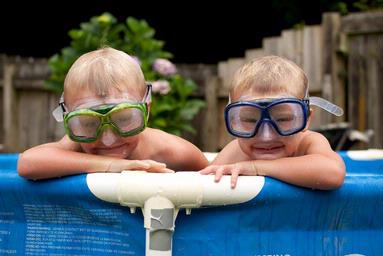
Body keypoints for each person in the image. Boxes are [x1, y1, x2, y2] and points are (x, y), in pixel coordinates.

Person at [18, 47, 208, 179]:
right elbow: (27, 163)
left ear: (146, 110)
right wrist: (111, 166)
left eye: (124, 119)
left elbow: (216, 188)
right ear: (69, 120)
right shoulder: (77, 144)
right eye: (89, 123)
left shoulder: (173, 153)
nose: (108, 139)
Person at [200, 56, 345, 190]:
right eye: (250, 120)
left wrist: (256, 168)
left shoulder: (308, 143)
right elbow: (201, 184)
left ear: (306, 118)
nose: (266, 136)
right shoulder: (236, 151)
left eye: (283, 119)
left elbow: (334, 173)